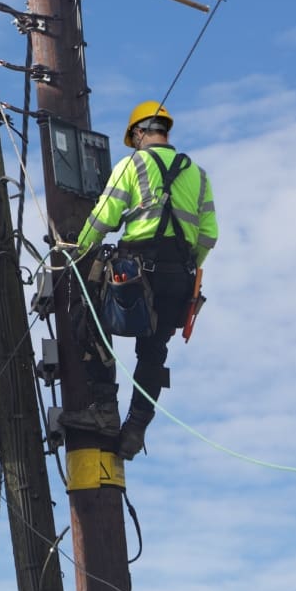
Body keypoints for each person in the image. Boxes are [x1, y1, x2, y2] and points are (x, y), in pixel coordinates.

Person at [62, 100, 218, 460]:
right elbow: (209, 234)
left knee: (89, 318)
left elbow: (105, 216)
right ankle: (135, 428)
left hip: (135, 271)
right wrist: (186, 264)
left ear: (137, 133)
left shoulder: (132, 164)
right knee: (154, 349)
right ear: (164, 130)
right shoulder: (199, 174)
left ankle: (103, 408)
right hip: (179, 276)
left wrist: (77, 250)